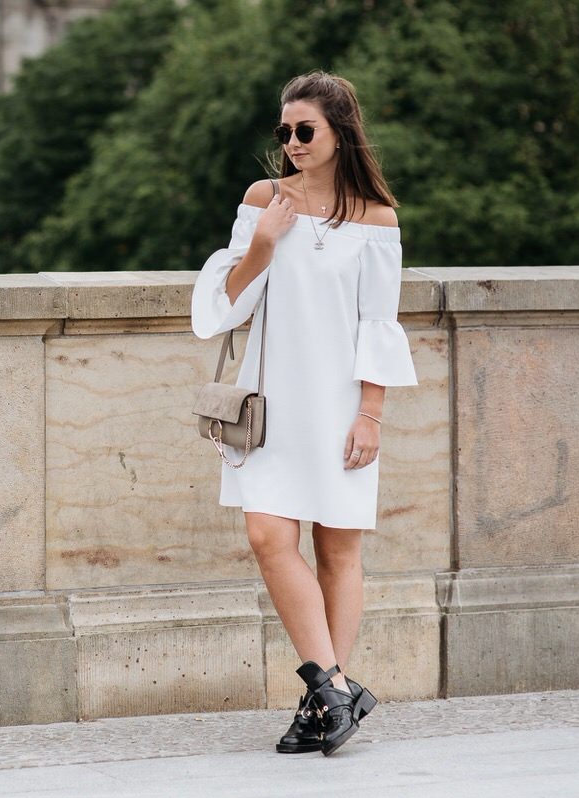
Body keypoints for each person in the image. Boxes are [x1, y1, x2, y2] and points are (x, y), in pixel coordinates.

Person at [190, 70, 419, 756]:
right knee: (267, 536)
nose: (291, 142)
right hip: (272, 405)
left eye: (304, 130)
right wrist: (263, 240)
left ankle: (323, 705)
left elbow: (379, 323)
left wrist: (370, 415)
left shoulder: (377, 220)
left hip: (340, 403)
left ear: (339, 132)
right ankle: (336, 689)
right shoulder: (265, 200)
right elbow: (224, 308)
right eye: (283, 131)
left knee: (337, 549)